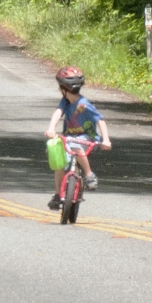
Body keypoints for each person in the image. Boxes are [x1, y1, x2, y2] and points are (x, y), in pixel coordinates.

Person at [43, 66, 112, 211]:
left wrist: (106, 139)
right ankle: (57, 194)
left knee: (76, 146)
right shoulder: (66, 101)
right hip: (69, 137)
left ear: (64, 88)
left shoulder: (84, 104)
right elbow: (58, 112)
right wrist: (51, 128)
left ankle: (89, 174)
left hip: (85, 138)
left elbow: (100, 120)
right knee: (60, 163)